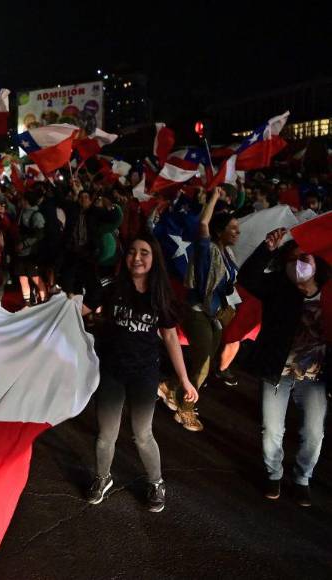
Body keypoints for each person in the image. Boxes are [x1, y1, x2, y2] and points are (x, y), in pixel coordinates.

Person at [83, 233, 198, 512]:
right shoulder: (111, 286)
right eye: (132, 251)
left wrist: (184, 380)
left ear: (154, 257)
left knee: (142, 434)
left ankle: (156, 482)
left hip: (144, 374)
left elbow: (170, 338)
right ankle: (102, 478)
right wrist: (56, 308)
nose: (137, 257)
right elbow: (81, 310)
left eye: (144, 252)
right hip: (111, 371)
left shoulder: (161, 293)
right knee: (105, 435)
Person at [238, 228, 330, 507]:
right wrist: (266, 248)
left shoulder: (329, 293)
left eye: (304, 257)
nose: (299, 263)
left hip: (315, 377)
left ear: (317, 262)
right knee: (271, 429)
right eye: (291, 260)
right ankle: (273, 473)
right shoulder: (278, 288)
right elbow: (248, 277)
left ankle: (302, 478)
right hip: (278, 373)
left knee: (315, 434)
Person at [173, 187, 239, 432]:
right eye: (233, 228)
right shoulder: (206, 248)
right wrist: (214, 198)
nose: (238, 232)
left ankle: (171, 387)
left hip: (215, 315)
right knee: (202, 363)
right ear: (219, 231)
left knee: (207, 363)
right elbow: (203, 223)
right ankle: (185, 409)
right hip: (197, 311)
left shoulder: (227, 253)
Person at [14, 189, 47, 307]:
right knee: (22, 278)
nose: (20, 201)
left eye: (22, 199)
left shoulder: (36, 215)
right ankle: (27, 303)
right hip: (20, 253)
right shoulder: (21, 212)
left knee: (36, 278)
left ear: (26, 201)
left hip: (32, 253)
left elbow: (40, 234)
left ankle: (44, 302)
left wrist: (24, 244)